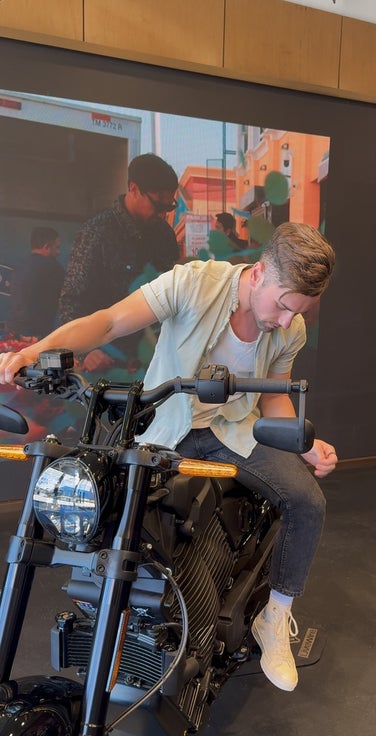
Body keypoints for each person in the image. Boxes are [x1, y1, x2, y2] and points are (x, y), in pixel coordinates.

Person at [0, 221, 337, 693]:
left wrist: (302, 444)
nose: (286, 321)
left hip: (233, 431)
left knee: (307, 502)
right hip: (166, 426)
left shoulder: (290, 329)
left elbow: (273, 396)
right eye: (283, 306)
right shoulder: (193, 282)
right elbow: (109, 322)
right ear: (259, 273)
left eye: (296, 312)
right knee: (118, 512)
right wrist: (35, 351)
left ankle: (275, 617)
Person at [58, 153, 179, 375]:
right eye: (157, 205)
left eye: (169, 208)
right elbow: (71, 300)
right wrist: (86, 352)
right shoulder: (97, 232)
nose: (163, 214)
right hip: (108, 363)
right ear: (133, 189)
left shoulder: (165, 236)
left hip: (157, 363)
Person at [8, 226, 64, 339]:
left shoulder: (19, 266)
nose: (58, 252)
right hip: (37, 337)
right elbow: (69, 298)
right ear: (46, 247)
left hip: (13, 334)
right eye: (57, 247)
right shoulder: (53, 268)